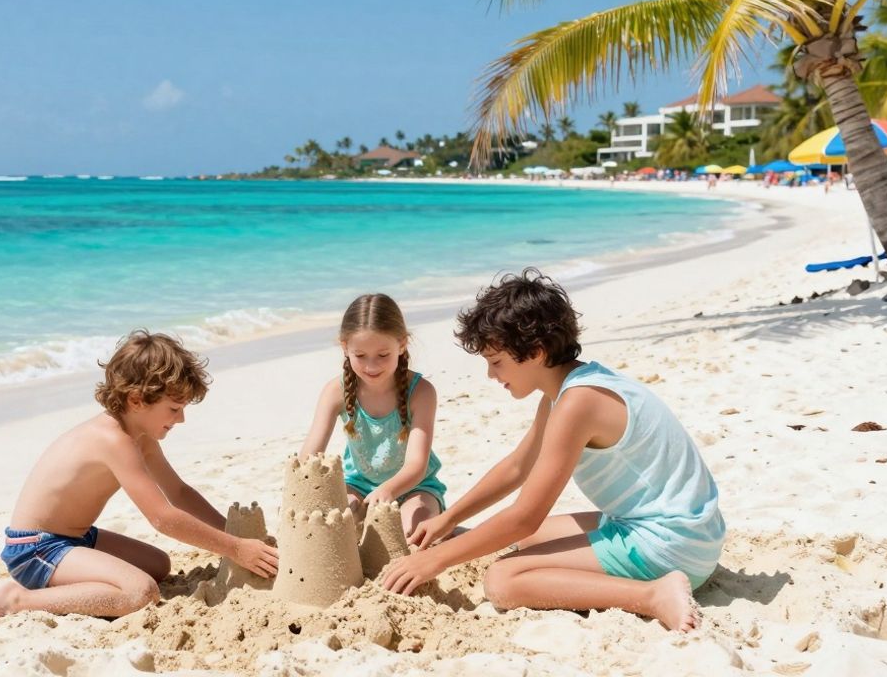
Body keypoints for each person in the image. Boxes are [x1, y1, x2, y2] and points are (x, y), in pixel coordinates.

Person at [381, 270, 724, 633]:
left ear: (536, 352)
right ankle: (652, 581)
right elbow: (517, 467)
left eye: (496, 362)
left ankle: (653, 595)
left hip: (669, 546)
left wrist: (434, 561)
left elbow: (524, 515)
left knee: (503, 580)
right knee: (526, 542)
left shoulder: (578, 403)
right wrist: (449, 520)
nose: (491, 375)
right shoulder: (570, 388)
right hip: (687, 531)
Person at [0, 331, 278, 623]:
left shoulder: (140, 436)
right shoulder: (114, 441)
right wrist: (235, 548)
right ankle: (18, 600)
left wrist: (232, 532)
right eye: (173, 409)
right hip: (35, 550)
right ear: (137, 400)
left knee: (158, 565)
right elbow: (162, 518)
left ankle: (80, 579)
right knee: (141, 593)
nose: (181, 418)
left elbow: (178, 492)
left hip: (77, 538)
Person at [298, 293, 445, 535]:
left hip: (415, 487)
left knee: (411, 532)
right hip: (358, 487)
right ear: (345, 348)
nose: (372, 366)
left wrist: (387, 491)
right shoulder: (336, 391)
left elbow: (417, 465)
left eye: (383, 355)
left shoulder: (421, 392)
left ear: (402, 344)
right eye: (361, 356)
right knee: (335, 527)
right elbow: (310, 456)